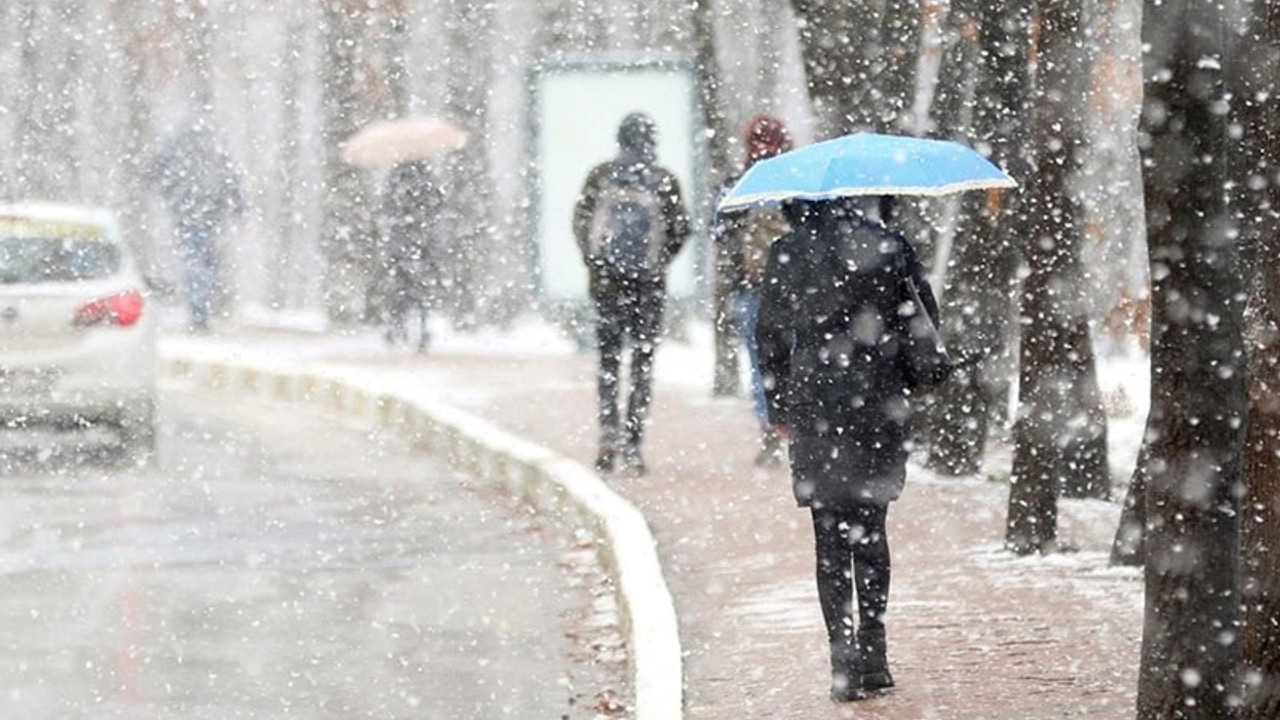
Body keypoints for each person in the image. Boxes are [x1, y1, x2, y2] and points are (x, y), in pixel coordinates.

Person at [755, 196, 942, 702]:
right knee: (872, 529)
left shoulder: (787, 252)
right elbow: (924, 320)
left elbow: (768, 335)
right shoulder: (889, 246)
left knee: (828, 534)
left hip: (815, 404)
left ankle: (842, 659)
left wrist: (778, 409)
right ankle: (875, 653)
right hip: (878, 404)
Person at [573, 112, 691, 477]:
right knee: (642, 364)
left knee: (609, 362)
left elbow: (580, 223)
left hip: (607, 286)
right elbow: (682, 228)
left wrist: (597, 264)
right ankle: (633, 443)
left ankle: (608, 434)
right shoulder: (663, 180)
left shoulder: (600, 176)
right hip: (647, 288)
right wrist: (657, 263)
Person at [712, 114, 794, 466]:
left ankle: (770, 429)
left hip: (752, 288)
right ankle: (800, 428)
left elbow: (719, 230)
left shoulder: (737, 182)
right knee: (797, 359)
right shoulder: (796, 181)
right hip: (795, 290)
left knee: (762, 364)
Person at [147, 118, 244, 332]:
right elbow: (230, 176)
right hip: (211, 212)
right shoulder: (214, 143)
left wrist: (168, 194)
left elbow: (156, 170)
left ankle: (198, 311)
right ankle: (202, 309)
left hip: (186, 211)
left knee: (193, 261)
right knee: (207, 262)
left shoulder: (178, 142)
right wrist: (238, 207)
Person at [378, 160, 443, 351]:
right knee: (420, 289)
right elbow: (437, 204)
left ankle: (397, 328)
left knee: (401, 289)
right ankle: (419, 331)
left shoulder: (397, 177)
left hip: (403, 243)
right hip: (421, 243)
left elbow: (387, 206)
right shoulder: (426, 177)